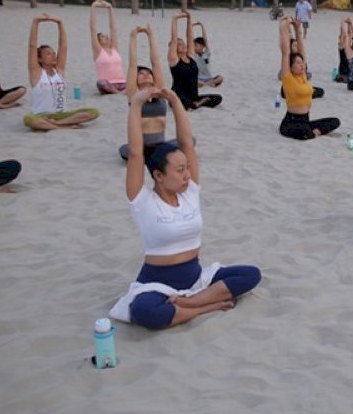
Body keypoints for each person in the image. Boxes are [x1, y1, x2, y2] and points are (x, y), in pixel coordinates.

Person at [111, 86, 261, 329]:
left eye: (187, 169)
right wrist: (136, 104)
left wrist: (175, 100)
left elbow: (187, 145)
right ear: (158, 176)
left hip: (195, 278)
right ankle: (207, 305)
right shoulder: (143, 201)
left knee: (251, 274)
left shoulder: (190, 192)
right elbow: (137, 153)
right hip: (157, 283)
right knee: (145, 311)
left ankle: (189, 303)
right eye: (180, 170)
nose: (187, 175)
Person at [23, 14, 100, 131]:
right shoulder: (36, 73)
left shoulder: (59, 70)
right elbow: (32, 46)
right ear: (39, 59)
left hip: (60, 115)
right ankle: (63, 127)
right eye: (48, 54)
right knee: (29, 120)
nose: (53, 55)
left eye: (54, 53)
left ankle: (58, 125)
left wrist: (60, 23)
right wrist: (36, 22)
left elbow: (63, 46)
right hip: (41, 115)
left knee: (94, 112)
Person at [118, 25, 176, 161]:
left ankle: (157, 154)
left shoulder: (159, 91)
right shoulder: (134, 94)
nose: (145, 75)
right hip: (141, 147)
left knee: (189, 140)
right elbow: (133, 63)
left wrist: (150, 36)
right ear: (135, 79)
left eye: (148, 73)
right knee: (124, 150)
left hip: (160, 145)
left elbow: (155, 62)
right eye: (141, 74)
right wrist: (133, 37)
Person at [278, 18, 340, 140]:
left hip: (305, 121)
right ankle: (313, 133)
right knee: (307, 134)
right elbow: (285, 52)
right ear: (290, 66)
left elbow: (302, 50)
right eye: (298, 63)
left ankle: (313, 132)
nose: (302, 65)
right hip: (290, 123)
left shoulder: (303, 76)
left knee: (335, 121)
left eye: (302, 63)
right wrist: (283, 28)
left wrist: (297, 29)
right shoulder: (288, 77)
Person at [168, 12, 222, 109]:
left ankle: (197, 103)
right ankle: (196, 104)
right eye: (179, 44)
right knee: (183, 103)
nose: (184, 45)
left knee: (218, 98)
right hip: (178, 97)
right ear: (174, 48)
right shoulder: (174, 60)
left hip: (193, 96)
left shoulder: (191, 57)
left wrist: (189, 19)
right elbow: (174, 38)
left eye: (183, 43)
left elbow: (190, 37)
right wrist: (174, 20)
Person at [90, 0, 127, 94]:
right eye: (102, 37)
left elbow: (113, 28)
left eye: (106, 36)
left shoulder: (114, 49)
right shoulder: (98, 51)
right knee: (100, 82)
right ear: (98, 41)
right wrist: (94, 7)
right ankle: (116, 92)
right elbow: (93, 28)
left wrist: (110, 8)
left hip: (122, 83)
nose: (106, 37)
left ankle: (120, 91)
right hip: (107, 84)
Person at [191, 22, 224, 88]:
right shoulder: (193, 54)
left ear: (202, 46)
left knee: (221, 78)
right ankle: (206, 84)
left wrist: (202, 26)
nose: (194, 47)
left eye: (196, 45)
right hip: (199, 78)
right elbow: (190, 38)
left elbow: (205, 39)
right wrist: (191, 28)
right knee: (192, 80)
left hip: (209, 78)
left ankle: (207, 83)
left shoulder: (206, 53)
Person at [335, 17, 353, 83]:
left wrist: (350, 23)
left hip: (351, 73)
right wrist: (342, 22)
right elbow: (344, 35)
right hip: (343, 74)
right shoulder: (341, 46)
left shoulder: (351, 48)